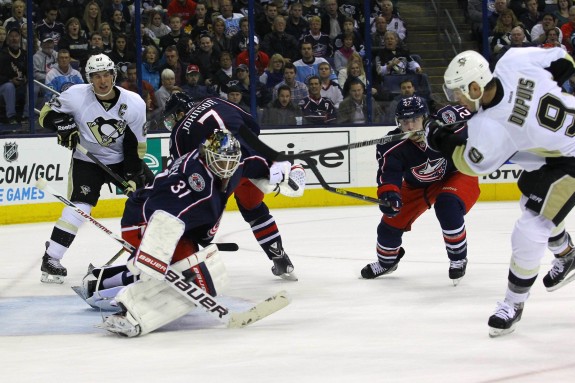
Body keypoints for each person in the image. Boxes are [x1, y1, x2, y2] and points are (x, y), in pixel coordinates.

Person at [428, 48, 575, 337]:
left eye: (458, 92)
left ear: (474, 87)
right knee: (531, 200)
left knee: (531, 226)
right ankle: (567, 254)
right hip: (558, 151)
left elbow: (469, 163)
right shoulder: (513, 61)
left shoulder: (489, 127)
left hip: (571, 158)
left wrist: (440, 138)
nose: (455, 99)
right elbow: (565, 61)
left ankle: (513, 303)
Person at [166, 93, 304, 280]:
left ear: (180, 112)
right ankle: (279, 257)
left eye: (170, 119)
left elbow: (182, 170)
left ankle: (191, 271)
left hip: (218, 176)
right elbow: (253, 127)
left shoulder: (178, 132)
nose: (170, 124)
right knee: (254, 209)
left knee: (194, 226)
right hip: (249, 160)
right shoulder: (214, 100)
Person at [38, 53, 149, 284]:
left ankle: (160, 253)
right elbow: (46, 115)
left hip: (121, 160)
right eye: (96, 76)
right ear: (89, 78)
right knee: (80, 207)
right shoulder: (76, 96)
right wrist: (64, 126)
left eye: (107, 74)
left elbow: (136, 144)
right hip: (87, 161)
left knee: (151, 197)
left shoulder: (134, 103)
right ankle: (52, 257)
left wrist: (133, 174)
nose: (102, 80)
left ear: (114, 75)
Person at [361, 96, 480, 286]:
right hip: (417, 186)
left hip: (457, 173)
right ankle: (387, 262)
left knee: (446, 205)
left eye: (415, 120)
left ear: (426, 117)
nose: (409, 127)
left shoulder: (447, 120)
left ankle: (458, 258)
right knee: (388, 225)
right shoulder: (390, 144)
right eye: (404, 121)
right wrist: (389, 194)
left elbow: (479, 120)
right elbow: (388, 173)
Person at [0, 27, 28, 125]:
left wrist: (26, 78)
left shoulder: (24, 54)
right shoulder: (2, 54)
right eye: (11, 36)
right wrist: (10, 80)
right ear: (7, 39)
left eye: (16, 36)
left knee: (33, 86)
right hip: (4, 85)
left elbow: (29, 72)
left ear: (20, 38)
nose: (14, 38)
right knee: (9, 87)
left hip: (21, 85)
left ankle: (27, 115)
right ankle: (11, 116)